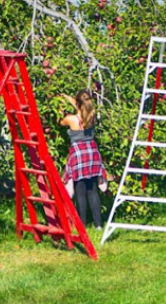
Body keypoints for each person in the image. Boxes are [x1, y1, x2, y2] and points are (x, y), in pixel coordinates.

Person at [60, 90, 106, 229]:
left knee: (80, 190)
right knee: (92, 189)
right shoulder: (91, 117)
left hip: (79, 155)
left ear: (78, 104)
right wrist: (70, 98)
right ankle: (98, 225)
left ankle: (82, 224)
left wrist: (61, 106)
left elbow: (61, 122)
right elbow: (83, 106)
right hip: (92, 154)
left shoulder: (71, 119)